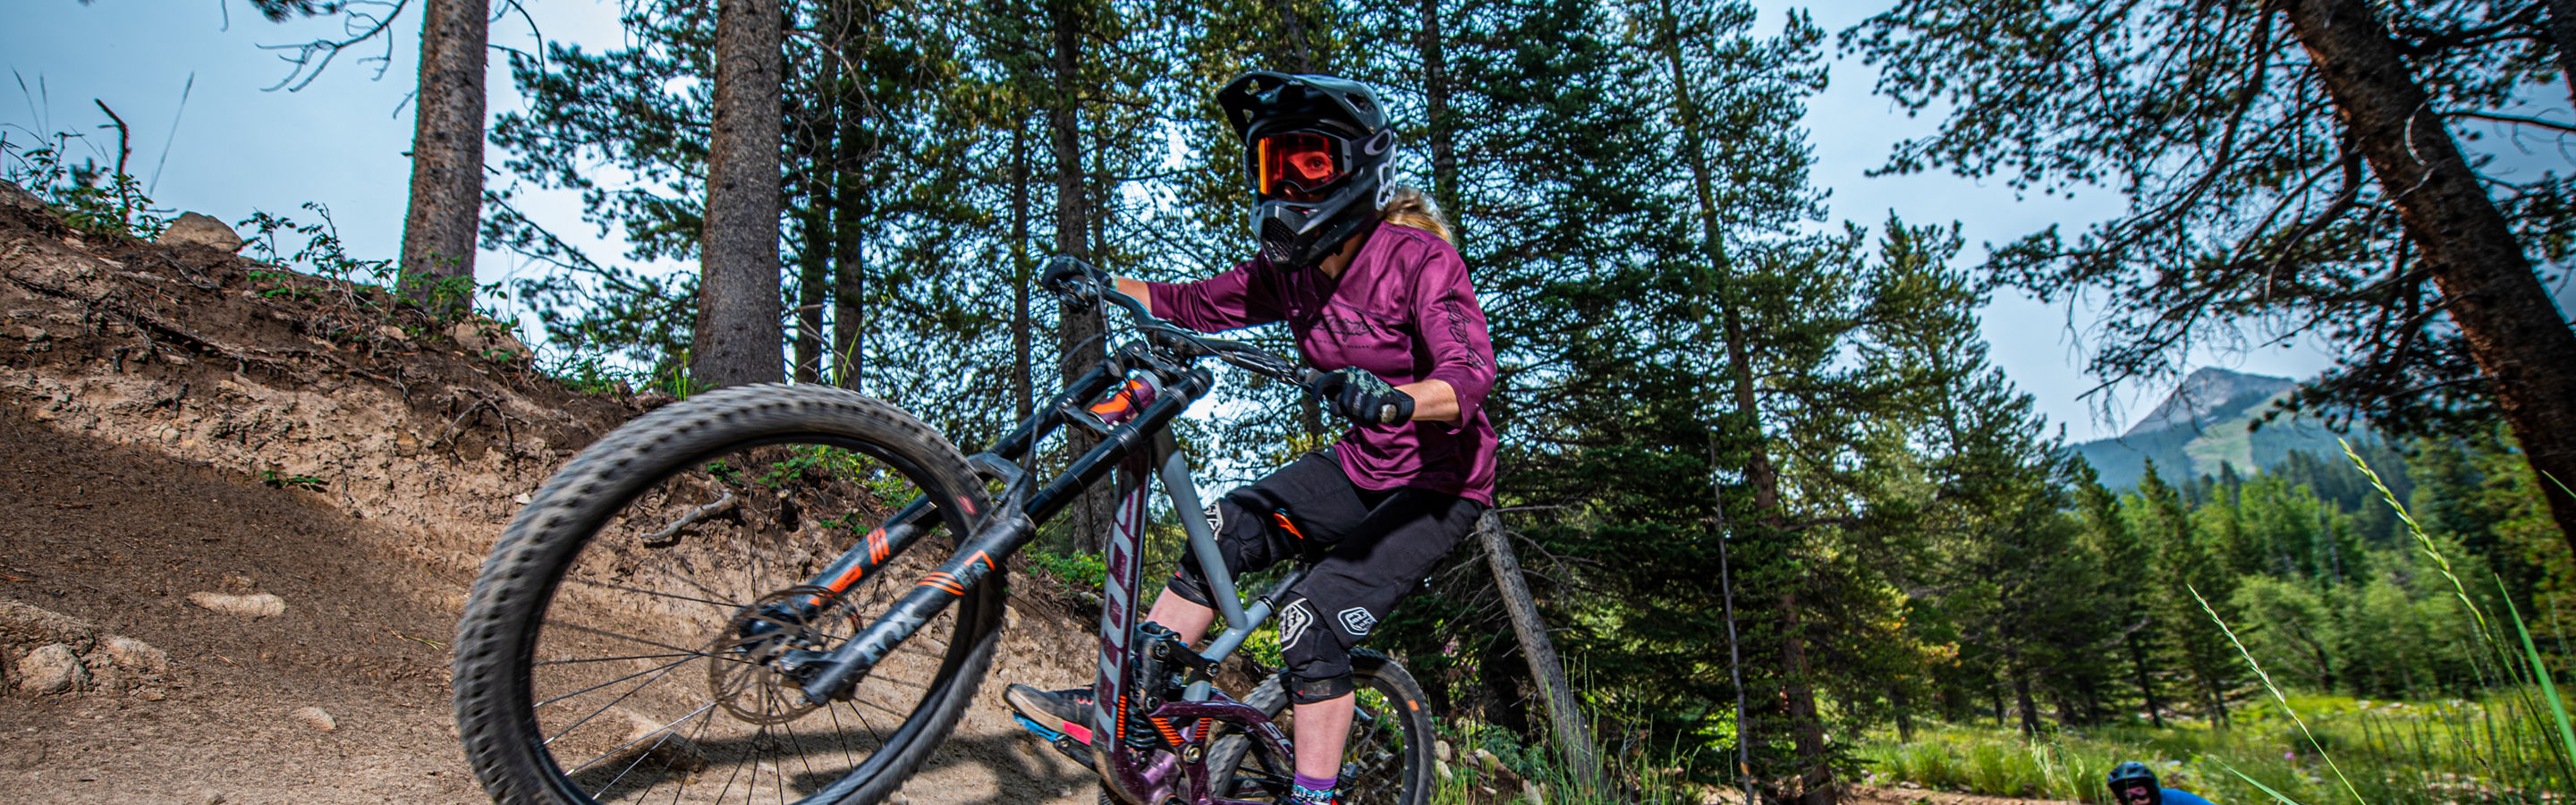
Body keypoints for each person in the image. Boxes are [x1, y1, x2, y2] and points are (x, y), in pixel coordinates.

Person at [1010, 70, 1496, 805]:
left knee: (1311, 622)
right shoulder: (1288, 273)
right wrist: (1103, 283)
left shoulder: (1417, 260)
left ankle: (1314, 795)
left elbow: (1468, 374)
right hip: (1362, 469)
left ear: (1358, 168)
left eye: (1309, 165)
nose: (1288, 187)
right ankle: (1138, 716)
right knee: (1222, 532)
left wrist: (1397, 399)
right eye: (1273, 167)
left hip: (1439, 486)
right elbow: (1191, 304)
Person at [2108, 760, 2218, 805]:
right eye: (2128, 794)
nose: (2135, 798)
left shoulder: (2176, 798)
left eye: (2139, 790)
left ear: (2151, 789)